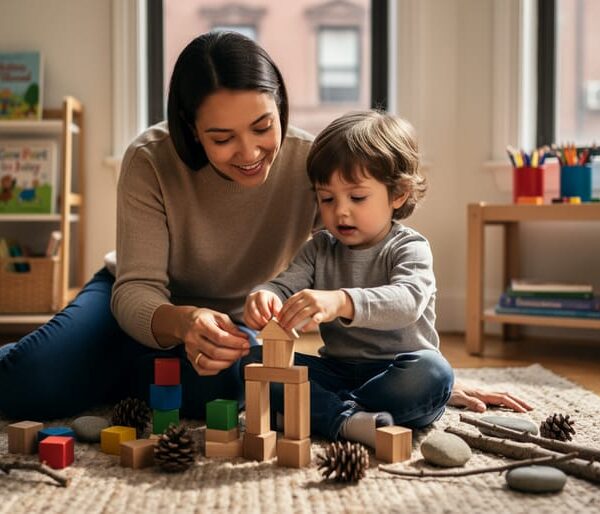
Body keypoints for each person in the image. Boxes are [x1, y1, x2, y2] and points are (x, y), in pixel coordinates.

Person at [0, 31, 530, 422]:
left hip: (230, 327)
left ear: (280, 105)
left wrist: (435, 383)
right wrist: (182, 323)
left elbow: (387, 287)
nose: (251, 153)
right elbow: (137, 288)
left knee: (241, 386)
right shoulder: (151, 159)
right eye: (222, 138)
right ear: (191, 131)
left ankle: (126, 375)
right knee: (30, 386)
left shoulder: (312, 167)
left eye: (263, 126)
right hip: (136, 301)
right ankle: (110, 365)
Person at [242, 111, 530, 448]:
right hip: (336, 370)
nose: (340, 211)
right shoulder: (320, 247)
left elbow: (406, 302)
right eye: (327, 198)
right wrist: (265, 295)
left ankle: (320, 412)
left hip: (397, 372)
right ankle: (347, 419)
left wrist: (341, 301)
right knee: (253, 360)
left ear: (399, 193)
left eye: (357, 197)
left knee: (435, 374)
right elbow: (285, 283)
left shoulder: (410, 248)